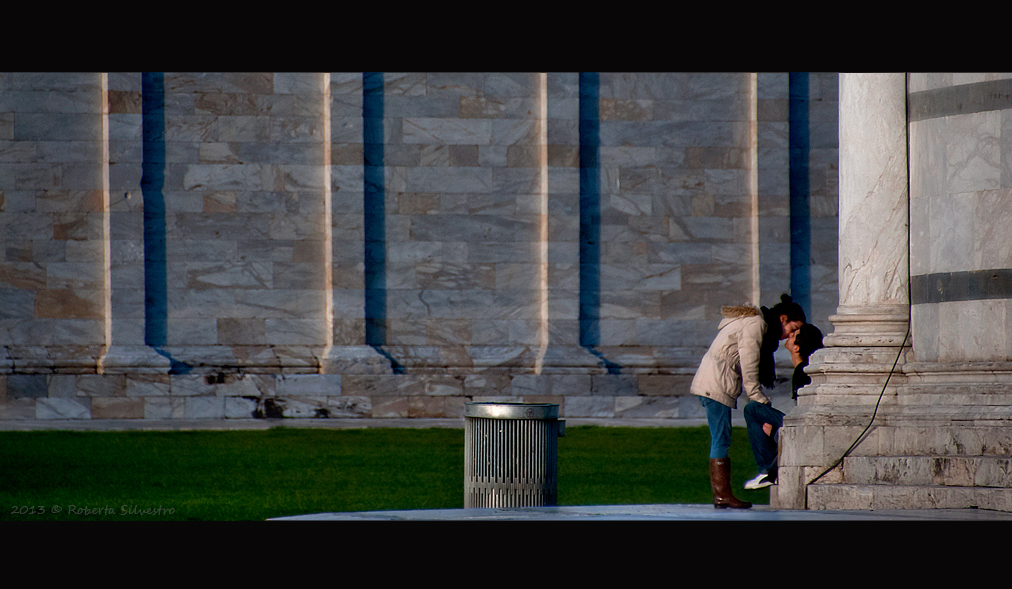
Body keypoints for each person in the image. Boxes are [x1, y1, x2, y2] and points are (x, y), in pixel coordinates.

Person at [690, 294, 806, 509]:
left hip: (714, 383)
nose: (788, 336)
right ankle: (722, 495)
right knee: (721, 439)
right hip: (714, 385)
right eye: (792, 329)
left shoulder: (754, 323)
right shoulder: (756, 324)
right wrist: (758, 398)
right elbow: (749, 364)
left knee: (721, 438)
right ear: (783, 318)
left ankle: (723, 495)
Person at [742, 322, 825, 490]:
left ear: (796, 347)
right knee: (761, 415)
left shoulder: (804, 371)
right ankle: (769, 469)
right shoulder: (802, 370)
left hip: (807, 426)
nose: (789, 334)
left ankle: (768, 470)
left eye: (794, 334)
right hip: (802, 423)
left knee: (753, 410)